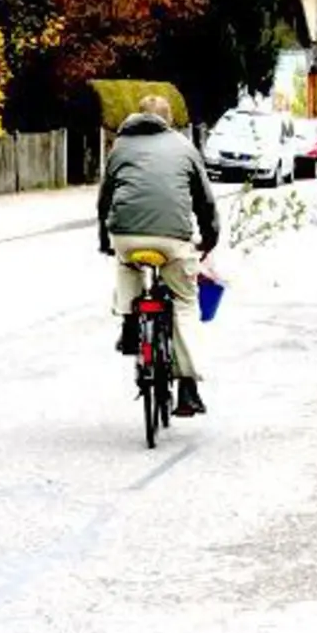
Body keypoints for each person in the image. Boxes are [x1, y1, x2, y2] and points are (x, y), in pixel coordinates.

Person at [97, 95, 220, 416]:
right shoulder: (183, 146)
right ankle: (188, 389)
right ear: (170, 120)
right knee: (184, 303)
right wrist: (210, 237)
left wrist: (105, 240)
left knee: (126, 264)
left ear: (137, 116)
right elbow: (204, 200)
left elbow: (105, 198)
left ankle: (129, 323)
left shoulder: (120, 146)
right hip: (173, 240)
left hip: (125, 234)